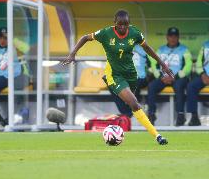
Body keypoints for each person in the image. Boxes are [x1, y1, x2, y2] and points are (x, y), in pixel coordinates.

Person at [62, 10, 174, 145]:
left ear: (129, 24)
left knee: (131, 105)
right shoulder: (105, 33)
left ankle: (123, 119)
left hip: (131, 74)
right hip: (114, 74)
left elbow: (147, 48)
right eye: (119, 24)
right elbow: (85, 37)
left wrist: (162, 64)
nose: (122, 27)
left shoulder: (135, 33)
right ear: (114, 23)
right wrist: (72, 53)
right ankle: (157, 136)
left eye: (125, 24)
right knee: (134, 103)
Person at [147, 27, 192, 126]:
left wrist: (174, 77)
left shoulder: (184, 50)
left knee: (179, 86)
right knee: (152, 86)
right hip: (163, 78)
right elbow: (154, 64)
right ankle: (151, 114)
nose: (173, 38)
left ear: (178, 37)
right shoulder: (160, 50)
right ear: (167, 37)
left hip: (178, 77)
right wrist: (160, 76)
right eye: (171, 36)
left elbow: (188, 66)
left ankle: (180, 115)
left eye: (175, 36)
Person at [0, 27, 28, 126]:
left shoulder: (15, 49)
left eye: (5, 38)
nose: (2, 40)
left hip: (17, 76)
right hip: (4, 77)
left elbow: (25, 60)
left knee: (17, 88)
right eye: (0, 37)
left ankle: (12, 118)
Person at [106, 45, 150, 118]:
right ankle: (126, 112)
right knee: (111, 83)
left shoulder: (144, 49)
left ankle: (133, 110)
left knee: (135, 83)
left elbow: (151, 66)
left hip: (140, 78)